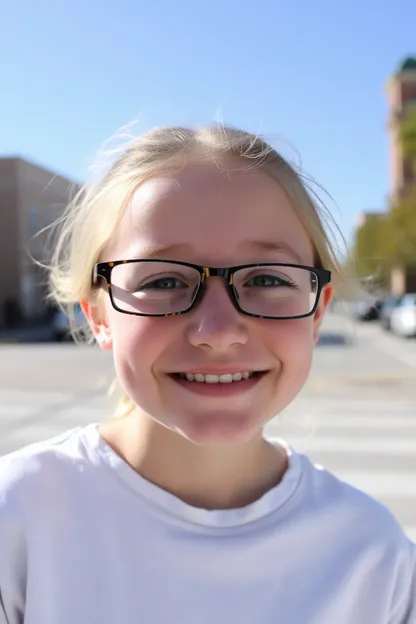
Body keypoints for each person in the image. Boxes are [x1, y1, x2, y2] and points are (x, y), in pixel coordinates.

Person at [0, 124, 414, 624]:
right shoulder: (18, 522)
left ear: (317, 311)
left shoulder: (373, 557)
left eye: (266, 278)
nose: (217, 331)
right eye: (165, 280)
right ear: (99, 315)